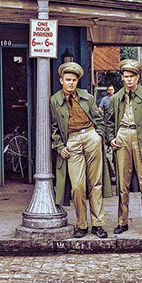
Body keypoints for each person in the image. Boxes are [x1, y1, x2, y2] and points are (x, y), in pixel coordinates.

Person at [50, 61, 112, 238]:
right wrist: (60, 146)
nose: (71, 83)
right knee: (77, 186)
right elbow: (54, 126)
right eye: (67, 79)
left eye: (74, 80)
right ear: (61, 80)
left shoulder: (87, 97)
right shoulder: (55, 100)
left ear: (77, 81)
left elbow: (98, 119)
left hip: (91, 136)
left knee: (96, 183)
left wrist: (99, 136)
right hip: (72, 141)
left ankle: (98, 224)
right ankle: (82, 224)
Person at [107, 58, 142, 236]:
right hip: (122, 135)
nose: (129, 79)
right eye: (125, 76)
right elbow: (109, 121)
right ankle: (122, 221)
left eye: (132, 76)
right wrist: (111, 139)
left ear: (138, 77)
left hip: (140, 138)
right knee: (123, 182)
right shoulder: (116, 97)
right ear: (122, 77)